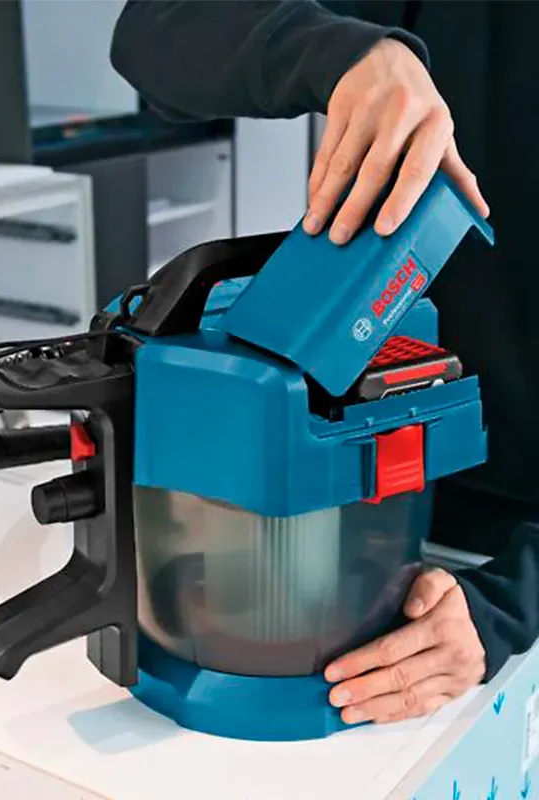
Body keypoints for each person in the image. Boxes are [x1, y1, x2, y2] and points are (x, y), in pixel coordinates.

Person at [110, 0, 539, 727]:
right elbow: (155, 31)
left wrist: (510, 605)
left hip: (507, 586)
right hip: (351, 519)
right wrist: (347, 55)